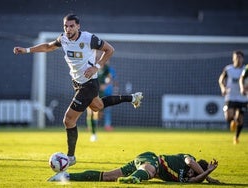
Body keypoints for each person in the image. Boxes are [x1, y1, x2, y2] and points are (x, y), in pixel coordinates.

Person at [13, 13, 143, 166]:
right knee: (98, 106)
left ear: (78, 26)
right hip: (77, 83)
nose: (68, 29)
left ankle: (70, 157)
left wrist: (96, 67)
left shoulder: (89, 38)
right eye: (66, 26)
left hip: (89, 84)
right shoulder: (63, 39)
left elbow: (110, 50)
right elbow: (48, 46)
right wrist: (26, 50)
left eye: (71, 26)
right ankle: (133, 98)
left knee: (68, 120)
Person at [48, 151, 221, 184]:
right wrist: (208, 175)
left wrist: (207, 175)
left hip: (146, 166)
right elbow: (191, 163)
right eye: (195, 170)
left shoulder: (191, 179)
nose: (191, 172)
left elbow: (195, 179)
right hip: (151, 158)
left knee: (108, 176)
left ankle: (66, 177)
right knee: (151, 170)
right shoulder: (188, 158)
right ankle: (134, 178)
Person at [218, 50, 248, 144]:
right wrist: (223, 88)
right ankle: (232, 121)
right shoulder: (228, 69)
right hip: (230, 95)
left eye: (240, 57)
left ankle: (236, 137)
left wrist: (245, 88)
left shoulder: (245, 69)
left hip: (242, 97)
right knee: (228, 116)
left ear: (243, 59)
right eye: (236, 57)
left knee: (240, 119)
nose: (238, 59)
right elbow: (221, 79)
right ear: (233, 58)